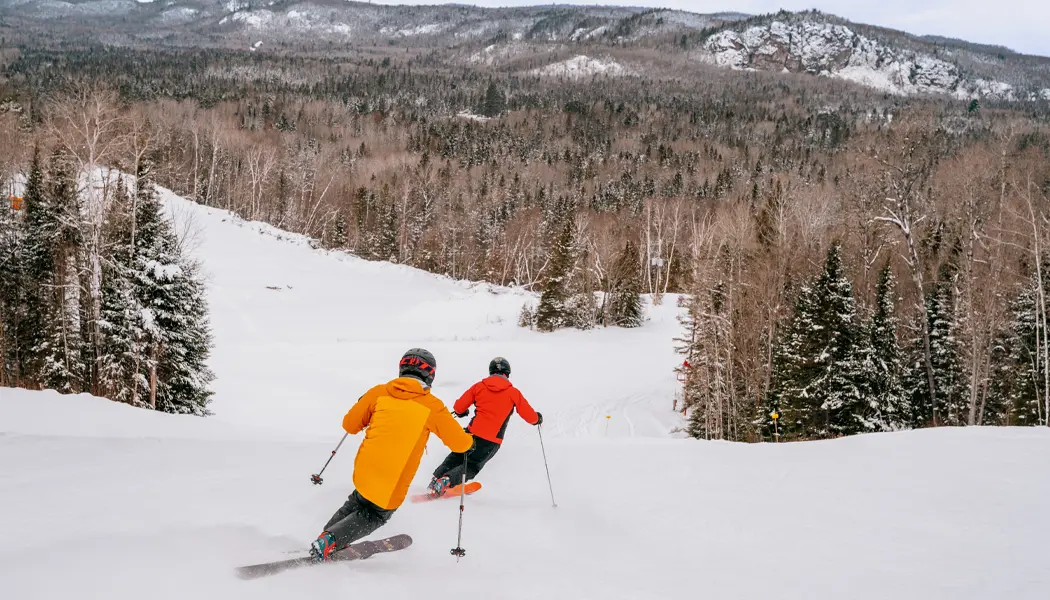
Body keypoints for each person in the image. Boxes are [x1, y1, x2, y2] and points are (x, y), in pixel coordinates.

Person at [310, 348, 474, 561]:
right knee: (377, 513)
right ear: (430, 375)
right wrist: (470, 441)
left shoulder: (378, 392)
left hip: (364, 468)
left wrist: (362, 403)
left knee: (358, 501)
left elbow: (349, 425)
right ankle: (331, 540)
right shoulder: (432, 406)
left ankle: (328, 537)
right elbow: (460, 444)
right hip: (393, 479)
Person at [426, 356, 541, 498]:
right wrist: (537, 419)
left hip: (471, 433)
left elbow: (459, 407)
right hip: (491, 440)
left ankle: (435, 480)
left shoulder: (479, 386)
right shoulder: (513, 393)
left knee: (456, 456)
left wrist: (462, 412)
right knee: (473, 465)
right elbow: (529, 415)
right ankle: (447, 481)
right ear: (507, 373)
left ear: (491, 371)